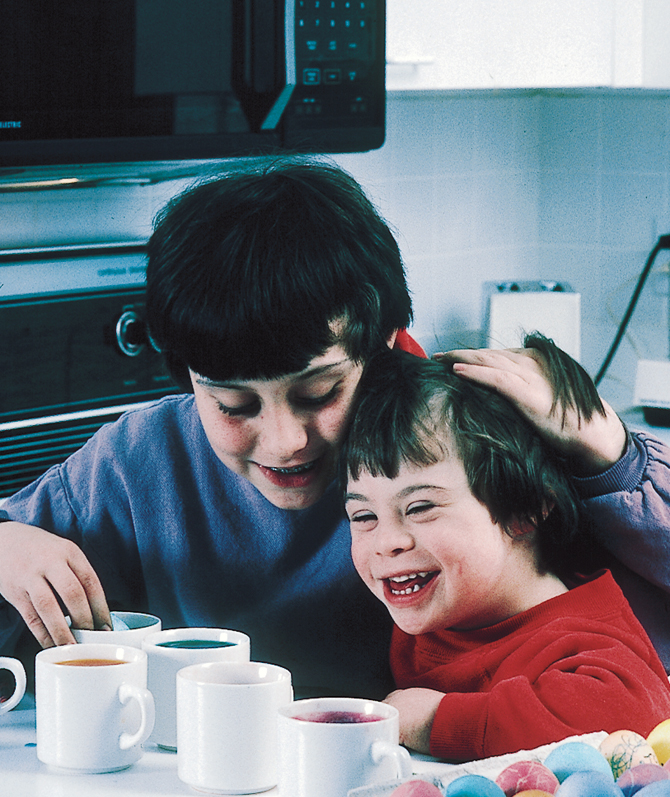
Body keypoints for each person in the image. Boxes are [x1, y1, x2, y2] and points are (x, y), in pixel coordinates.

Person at [0, 157, 668, 698]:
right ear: (187, 381)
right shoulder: (140, 460)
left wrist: (609, 456)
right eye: (235, 406)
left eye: (319, 392)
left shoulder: (469, 430)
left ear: (384, 342)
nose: (287, 440)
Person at [341, 343, 670, 759]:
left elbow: (633, 711)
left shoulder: (580, 639)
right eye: (363, 516)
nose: (387, 542)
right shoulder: (436, 600)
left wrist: (434, 721)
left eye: (420, 507)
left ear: (524, 509)